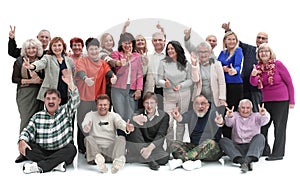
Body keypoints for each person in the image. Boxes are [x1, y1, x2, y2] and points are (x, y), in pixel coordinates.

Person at [18, 69, 80, 174]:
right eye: (48, 99)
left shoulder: (66, 111)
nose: (51, 101)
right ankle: (57, 164)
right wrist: (21, 141)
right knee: (28, 148)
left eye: (54, 99)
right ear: (45, 100)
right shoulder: (37, 116)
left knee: (71, 150)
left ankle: (40, 166)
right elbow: (27, 131)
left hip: (61, 149)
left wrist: (70, 83)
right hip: (43, 150)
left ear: (59, 101)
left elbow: (75, 100)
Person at [250, 43, 295, 161]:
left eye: (266, 51)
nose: (263, 53)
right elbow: (254, 83)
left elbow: (289, 82)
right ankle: (265, 150)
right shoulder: (258, 68)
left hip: (281, 100)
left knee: (279, 127)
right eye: (261, 51)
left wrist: (292, 101)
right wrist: (253, 75)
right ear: (258, 54)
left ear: (270, 53)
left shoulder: (278, 65)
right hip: (266, 100)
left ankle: (278, 153)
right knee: (263, 125)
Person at [75, 37, 116, 154]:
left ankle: (95, 147)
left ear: (99, 49)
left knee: (96, 124)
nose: (94, 51)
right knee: (83, 122)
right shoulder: (83, 61)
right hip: (84, 99)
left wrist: (113, 76)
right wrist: (85, 79)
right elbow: (80, 71)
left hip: (97, 99)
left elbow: (108, 71)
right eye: (91, 49)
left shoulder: (102, 63)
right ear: (87, 50)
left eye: (96, 49)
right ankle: (82, 148)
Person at [168, 95, 224, 171]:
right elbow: (182, 118)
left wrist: (220, 122)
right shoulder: (191, 114)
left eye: (203, 103)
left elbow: (220, 122)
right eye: (197, 103)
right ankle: (194, 162)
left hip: (212, 149)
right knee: (174, 144)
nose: (200, 106)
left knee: (210, 143)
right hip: (195, 146)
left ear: (208, 105)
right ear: (194, 105)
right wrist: (177, 116)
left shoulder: (213, 114)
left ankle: (182, 160)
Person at [221, 22, 268, 112]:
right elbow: (236, 42)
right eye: (259, 37)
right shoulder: (249, 49)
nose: (260, 40)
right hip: (244, 84)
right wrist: (228, 30)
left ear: (267, 41)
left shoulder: (269, 54)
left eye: (263, 38)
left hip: (257, 89)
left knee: (256, 110)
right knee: (242, 109)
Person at [81, 94, 134, 174]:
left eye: (105, 105)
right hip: (95, 152)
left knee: (121, 138)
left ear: (109, 105)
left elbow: (120, 123)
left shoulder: (113, 116)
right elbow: (85, 124)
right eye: (100, 105)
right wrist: (86, 127)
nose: (102, 107)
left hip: (110, 152)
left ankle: (118, 161)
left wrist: (126, 127)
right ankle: (99, 159)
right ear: (96, 105)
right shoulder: (90, 115)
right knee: (88, 139)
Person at [12, 38, 45, 163]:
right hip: (25, 93)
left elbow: (46, 77)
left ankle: (37, 150)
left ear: (38, 49)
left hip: (41, 93)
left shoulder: (43, 60)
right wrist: (32, 81)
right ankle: (23, 151)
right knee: (26, 120)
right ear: (25, 50)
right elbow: (14, 78)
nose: (31, 50)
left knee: (40, 121)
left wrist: (39, 80)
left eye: (34, 48)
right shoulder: (19, 61)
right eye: (29, 48)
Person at [157, 40, 193, 151]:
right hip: (169, 95)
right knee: (169, 122)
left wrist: (181, 85)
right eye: (168, 49)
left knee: (181, 121)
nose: (170, 51)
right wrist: (165, 83)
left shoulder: (186, 63)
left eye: (172, 48)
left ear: (178, 50)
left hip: (184, 94)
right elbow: (158, 80)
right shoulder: (163, 63)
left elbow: (191, 80)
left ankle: (179, 145)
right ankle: (170, 145)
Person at [219, 99, 270, 173]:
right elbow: (228, 123)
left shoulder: (256, 116)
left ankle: (247, 160)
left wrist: (263, 114)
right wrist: (229, 116)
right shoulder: (235, 115)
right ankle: (243, 161)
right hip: (237, 147)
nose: (245, 110)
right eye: (243, 108)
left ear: (251, 109)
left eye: (248, 108)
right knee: (223, 140)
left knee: (260, 137)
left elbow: (265, 120)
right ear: (239, 109)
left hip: (251, 148)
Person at [23, 36, 75, 106]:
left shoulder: (69, 60)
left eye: (59, 45)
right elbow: (40, 63)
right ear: (51, 47)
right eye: (54, 46)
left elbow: (72, 74)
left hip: (65, 93)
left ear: (63, 46)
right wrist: (31, 66)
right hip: (51, 94)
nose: (57, 48)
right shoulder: (47, 58)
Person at [126, 92, 170, 171]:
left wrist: (149, 149)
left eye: (152, 103)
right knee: (133, 128)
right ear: (143, 104)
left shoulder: (164, 116)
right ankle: (149, 159)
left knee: (165, 158)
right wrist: (134, 118)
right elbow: (132, 116)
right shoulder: (139, 113)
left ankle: (140, 157)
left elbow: (161, 135)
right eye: (147, 103)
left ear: (156, 103)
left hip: (153, 147)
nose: (149, 106)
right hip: (139, 145)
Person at [110, 32, 143, 132]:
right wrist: (126, 60)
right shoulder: (116, 54)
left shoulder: (137, 56)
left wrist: (139, 89)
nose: (128, 45)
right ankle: (121, 139)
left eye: (130, 43)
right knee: (120, 116)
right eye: (125, 43)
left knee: (131, 115)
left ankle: (130, 143)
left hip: (131, 89)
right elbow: (118, 73)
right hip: (118, 89)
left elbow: (139, 74)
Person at [217, 31, 243, 139]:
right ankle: (226, 139)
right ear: (225, 41)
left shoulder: (238, 50)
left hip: (235, 85)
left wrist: (234, 71)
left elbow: (237, 65)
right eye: (229, 39)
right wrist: (222, 68)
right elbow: (216, 66)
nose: (232, 41)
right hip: (223, 85)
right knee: (223, 111)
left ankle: (235, 139)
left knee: (232, 112)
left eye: (233, 39)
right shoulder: (222, 53)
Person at [189, 40, 227, 109]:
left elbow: (221, 83)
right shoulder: (195, 64)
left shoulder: (217, 64)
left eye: (205, 51)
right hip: (200, 97)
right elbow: (195, 80)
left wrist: (222, 98)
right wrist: (194, 65)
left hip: (214, 97)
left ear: (210, 53)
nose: (203, 54)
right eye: (201, 52)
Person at [143, 24, 166, 110]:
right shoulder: (148, 57)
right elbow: (143, 74)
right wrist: (144, 64)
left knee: (165, 114)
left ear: (164, 41)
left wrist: (162, 29)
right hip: (152, 89)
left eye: (160, 40)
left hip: (165, 90)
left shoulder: (169, 56)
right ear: (152, 42)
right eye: (155, 40)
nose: (157, 42)